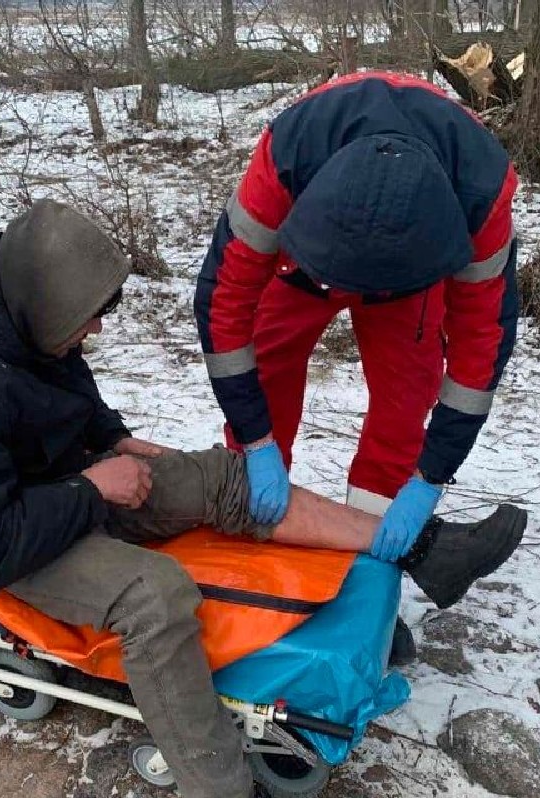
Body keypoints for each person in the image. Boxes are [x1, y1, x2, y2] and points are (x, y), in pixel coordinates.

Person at [0, 200, 527, 798]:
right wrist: (93, 488)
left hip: (45, 478)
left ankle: (423, 549)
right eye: (87, 319)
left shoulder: (18, 309)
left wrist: (113, 441)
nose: (95, 330)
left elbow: (62, 383)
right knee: (154, 596)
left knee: (218, 474)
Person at [192, 71, 521, 659]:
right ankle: (251, 558)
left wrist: (430, 477)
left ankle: (369, 575)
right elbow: (224, 312)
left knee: (404, 401)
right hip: (303, 263)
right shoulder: (286, 160)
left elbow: (478, 352)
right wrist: (255, 439)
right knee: (266, 376)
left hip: (411, 275)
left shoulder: (480, 197)